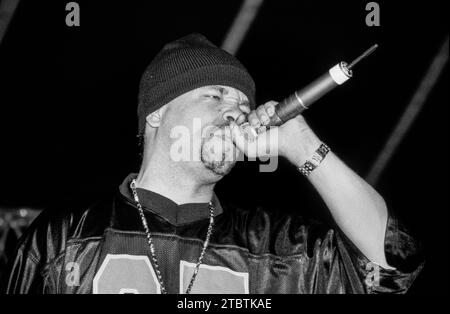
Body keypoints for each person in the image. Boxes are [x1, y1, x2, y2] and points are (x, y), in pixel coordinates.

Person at [2, 33, 423, 294]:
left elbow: (392, 265)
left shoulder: (276, 250)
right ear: (156, 113)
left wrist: (300, 144)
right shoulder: (67, 237)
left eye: (243, 103)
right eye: (216, 95)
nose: (236, 112)